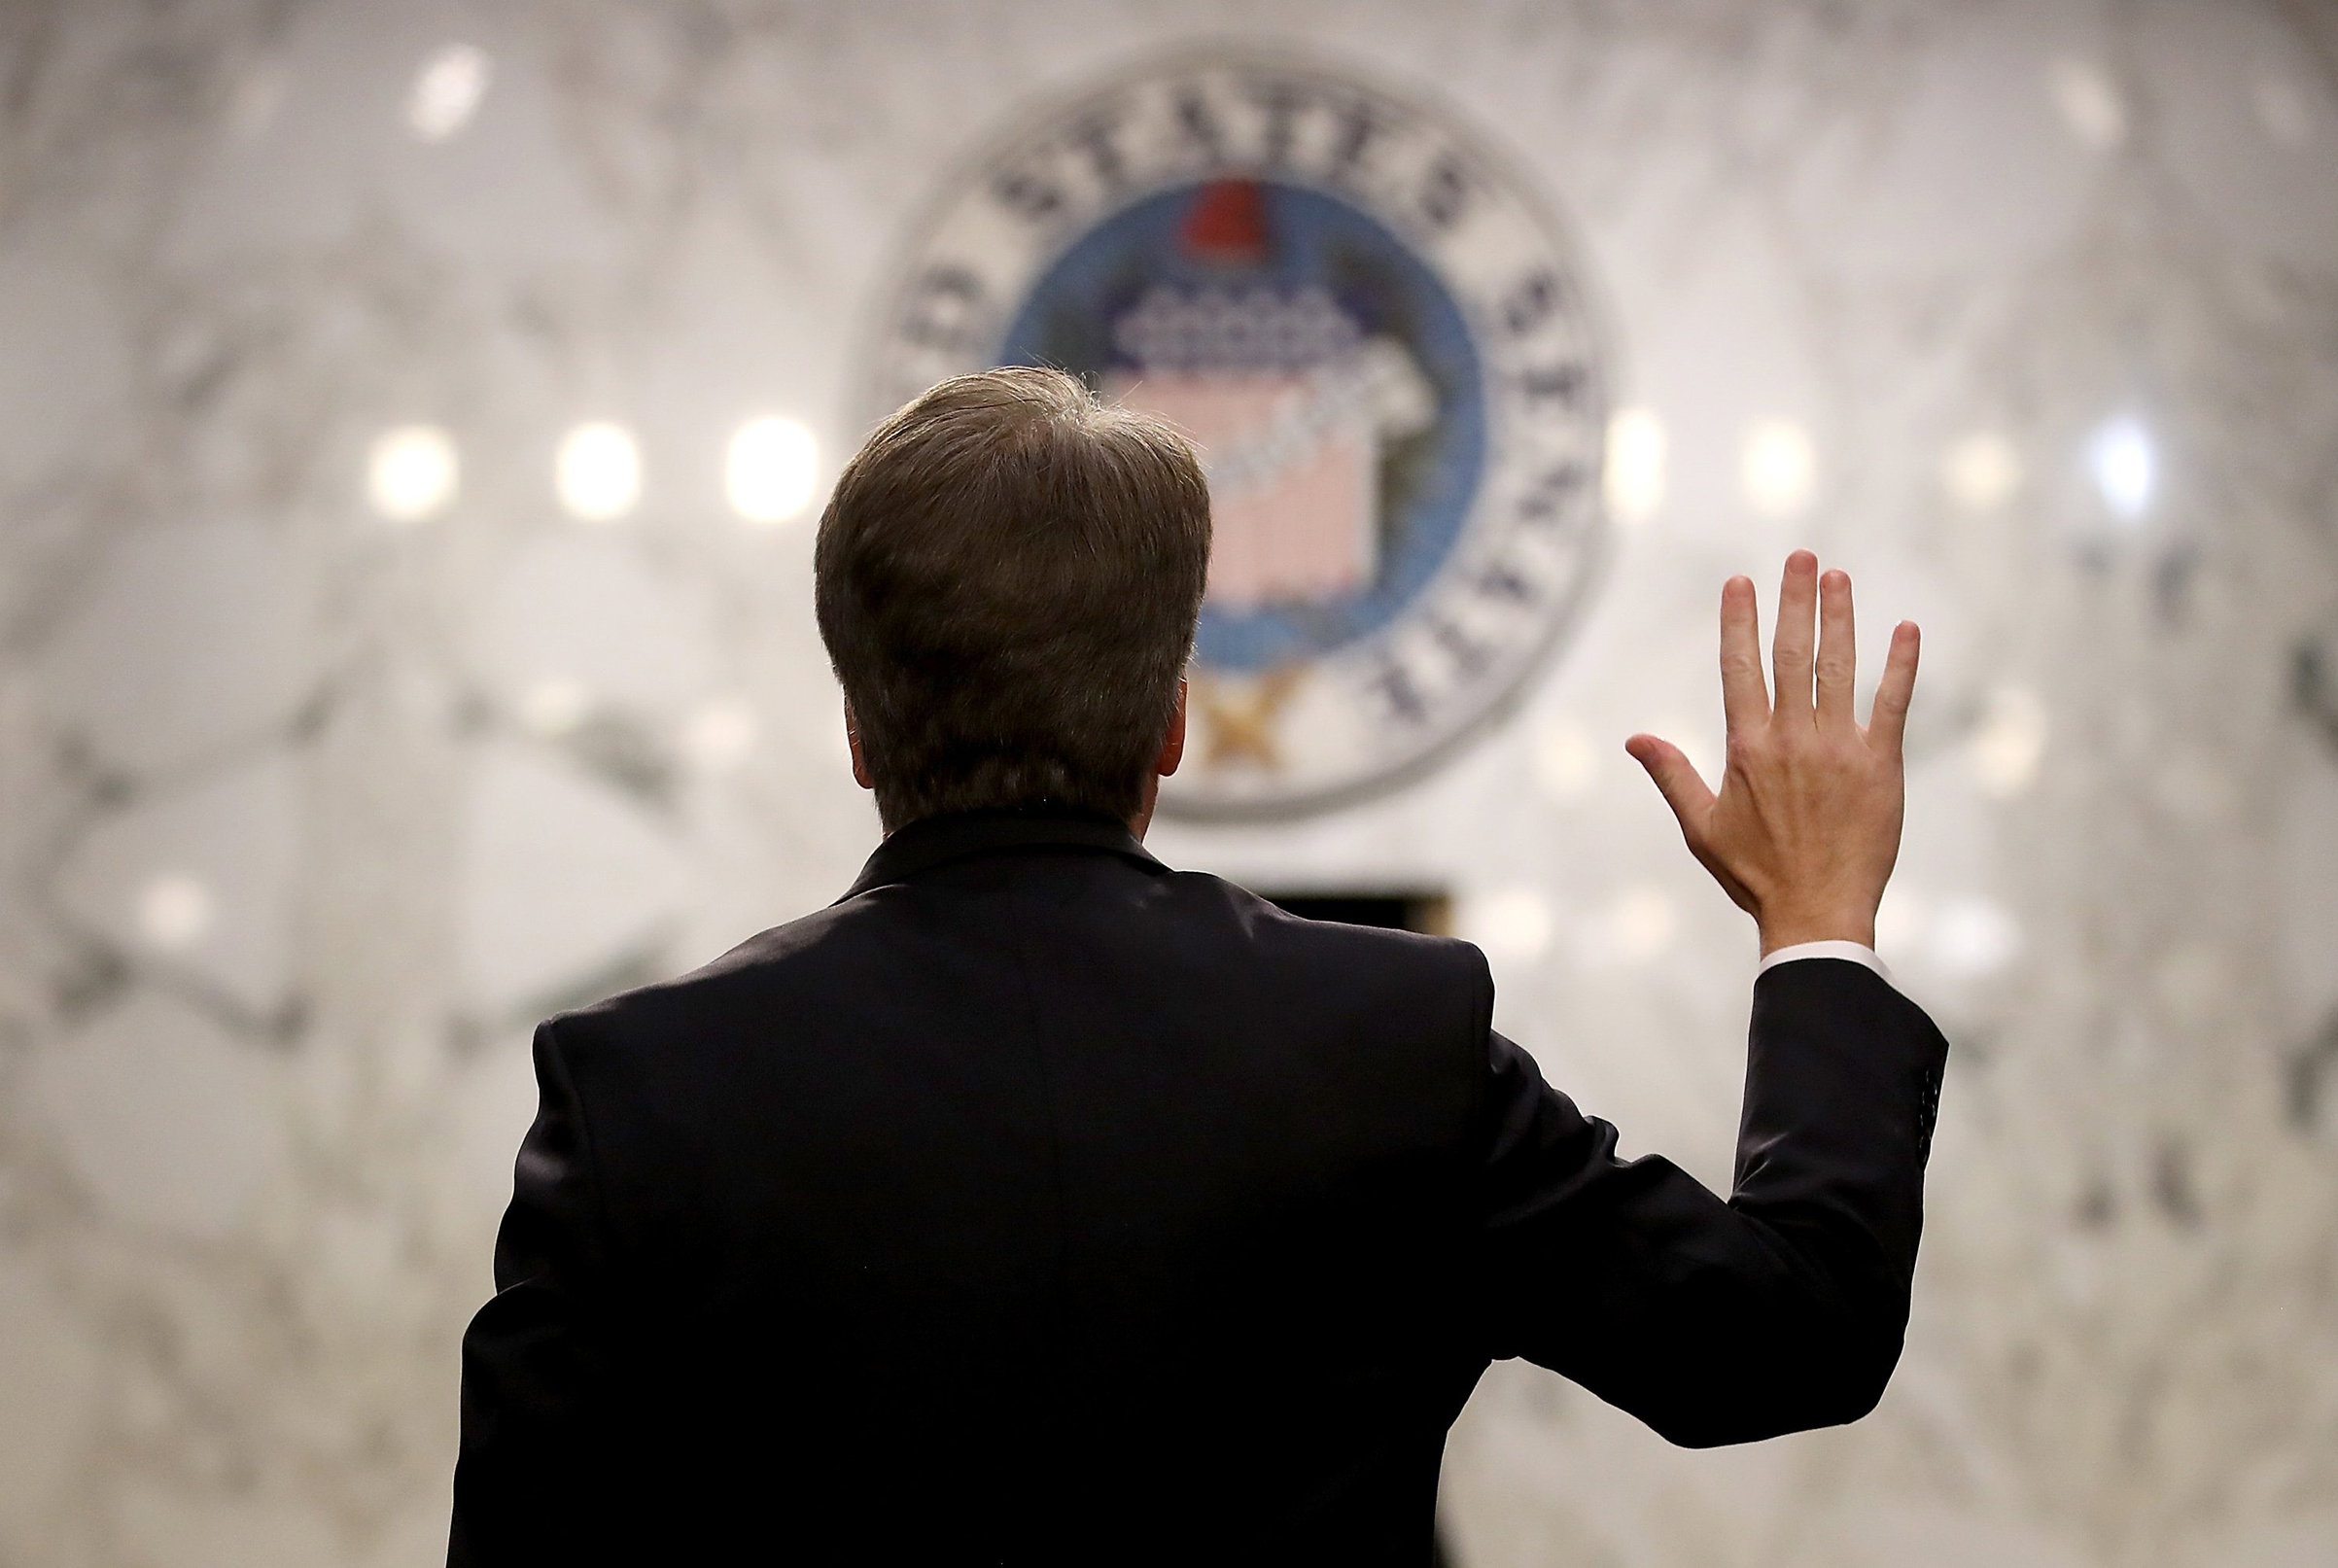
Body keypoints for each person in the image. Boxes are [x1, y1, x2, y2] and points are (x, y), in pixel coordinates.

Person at [448, 366, 1947, 1566]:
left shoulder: (641, 1092)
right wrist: (1815, 918)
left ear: (856, 726)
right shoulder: (1387, 1042)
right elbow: (1787, 1334)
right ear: (1169, 722)